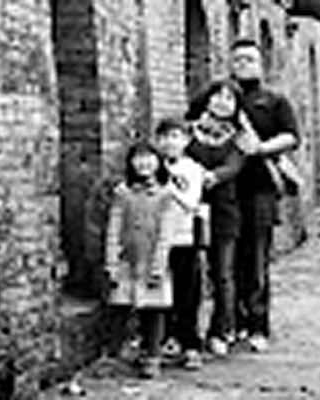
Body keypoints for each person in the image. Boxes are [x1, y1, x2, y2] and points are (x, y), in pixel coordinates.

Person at [230, 39, 299, 352]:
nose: (243, 64)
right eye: (238, 60)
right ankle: (235, 323)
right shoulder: (224, 99)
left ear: (260, 64)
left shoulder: (275, 101)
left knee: (256, 260)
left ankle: (258, 326)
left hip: (261, 189)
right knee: (229, 262)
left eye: (249, 59)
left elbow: (291, 137)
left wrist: (260, 148)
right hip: (228, 190)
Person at [104, 141, 175, 378]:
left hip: (152, 258)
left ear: (158, 162)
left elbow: (165, 234)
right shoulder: (122, 193)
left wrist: (159, 266)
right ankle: (114, 354)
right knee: (120, 305)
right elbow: (114, 228)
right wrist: (111, 261)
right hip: (127, 259)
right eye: (138, 158)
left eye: (149, 158)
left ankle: (152, 355)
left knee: (154, 308)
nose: (144, 163)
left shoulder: (165, 194)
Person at [185, 79, 245, 356]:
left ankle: (220, 330)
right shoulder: (189, 131)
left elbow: (234, 166)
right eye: (217, 96)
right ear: (207, 99)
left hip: (224, 211)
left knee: (222, 274)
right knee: (190, 273)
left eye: (229, 98)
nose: (222, 102)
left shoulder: (238, 137)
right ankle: (186, 332)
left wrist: (214, 176)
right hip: (191, 209)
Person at [155, 117, 208, 370]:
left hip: (184, 237)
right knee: (160, 293)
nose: (169, 142)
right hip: (157, 239)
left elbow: (191, 202)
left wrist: (169, 188)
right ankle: (165, 340)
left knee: (187, 291)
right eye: (164, 137)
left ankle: (190, 344)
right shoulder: (153, 166)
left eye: (175, 136)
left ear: (186, 141)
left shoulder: (193, 169)